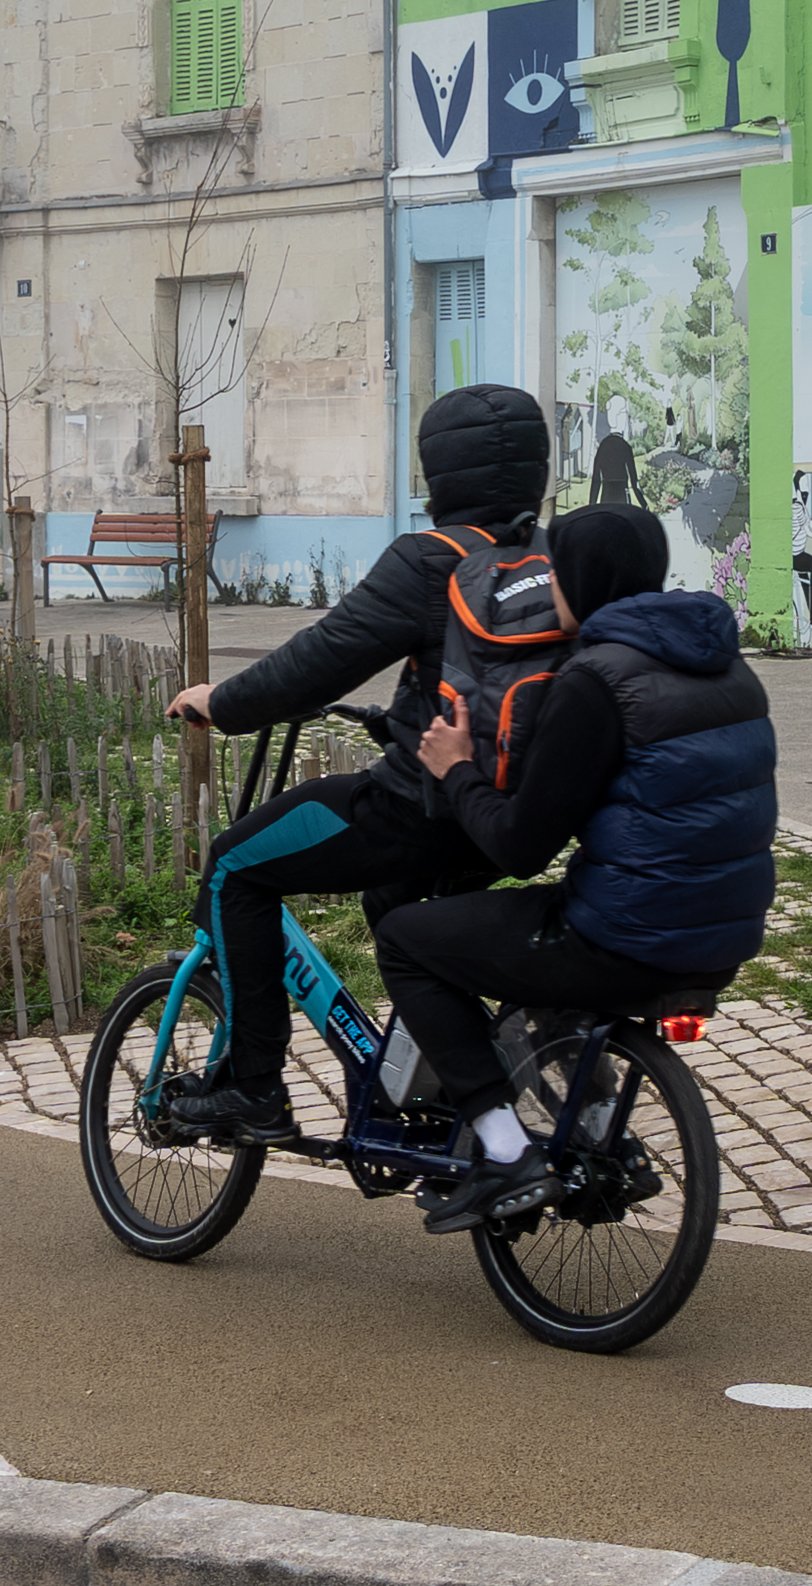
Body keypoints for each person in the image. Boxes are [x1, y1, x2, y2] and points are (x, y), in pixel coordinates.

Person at [155, 382, 553, 1142]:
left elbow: (320, 660)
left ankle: (253, 1087)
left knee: (235, 867)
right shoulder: (546, 561)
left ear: (440, 475)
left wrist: (223, 702)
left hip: (419, 808)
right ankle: (435, 1085)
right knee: (399, 913)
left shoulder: (433, 558)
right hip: (506, 813)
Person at [377, 502, 777, 1234]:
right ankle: (586, 1116)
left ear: (579, 580)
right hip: (721, 934)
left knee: (408, 936)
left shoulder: (595, 681)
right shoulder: (725, 664)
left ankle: (504, 1149)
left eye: (554, 569)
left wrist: (457, 767)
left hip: (628, 936)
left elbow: (519, 846)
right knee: (535, 946)